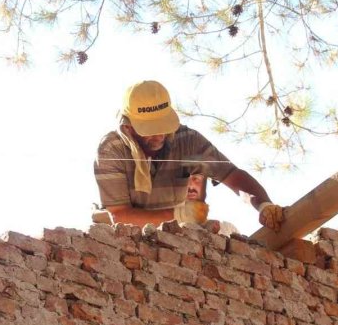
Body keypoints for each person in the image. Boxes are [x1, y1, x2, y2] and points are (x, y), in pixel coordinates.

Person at [93, 80, 284, 231]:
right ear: (128, 127)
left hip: (174, 240)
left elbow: (231, 175)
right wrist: (180, 215)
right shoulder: (112, 150)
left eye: (163, 127)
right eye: (150, 130)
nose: (159, 135)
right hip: (127, 240)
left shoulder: (187, 141)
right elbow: (120, 215)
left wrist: (263, 204)